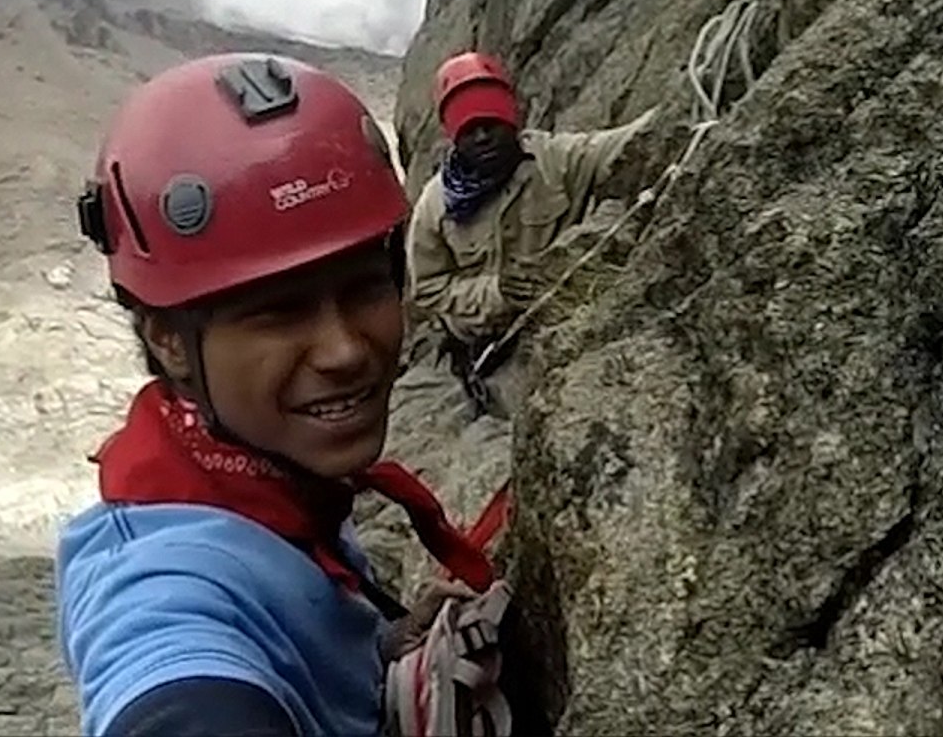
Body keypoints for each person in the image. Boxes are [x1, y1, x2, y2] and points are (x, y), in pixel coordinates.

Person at [58, 53, 504, 737]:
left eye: (363, 286)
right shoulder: (166, 584)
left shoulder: (264, 478)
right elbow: (173, 683)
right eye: (279, 312)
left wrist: (377, 653)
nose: (345, 349)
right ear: (169, 340)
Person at [407, 50, 655, 415]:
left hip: (553, 324)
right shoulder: (435, 207)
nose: (482, 137)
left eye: (491, 123)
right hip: (485, 345)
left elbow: (622, 143)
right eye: (469, 129)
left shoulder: (557, 161)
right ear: (453, 138)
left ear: (512, 119)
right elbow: (428, 289)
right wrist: (497, 292)